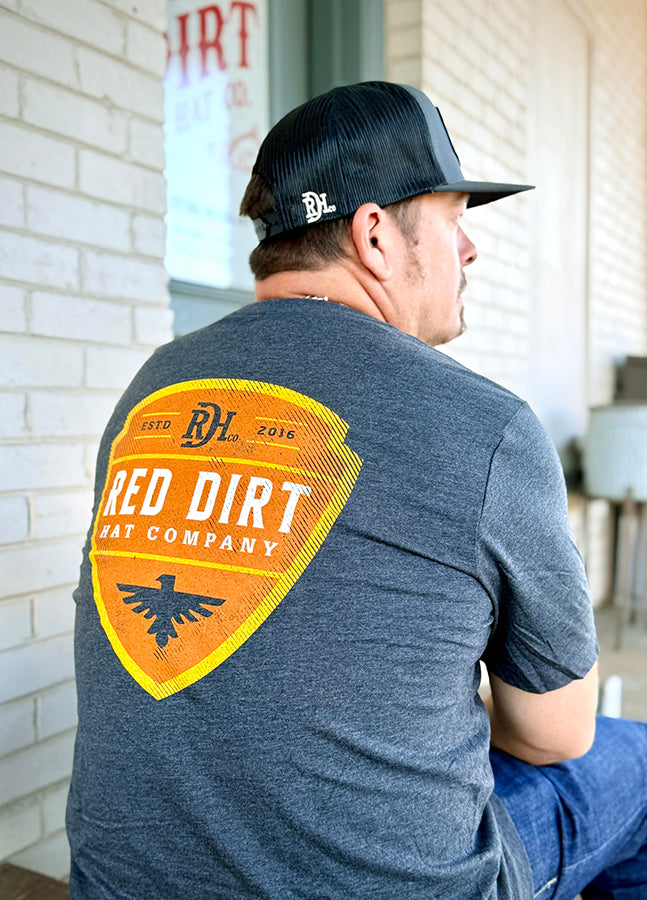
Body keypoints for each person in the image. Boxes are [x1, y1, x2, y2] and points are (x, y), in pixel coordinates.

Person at [66, 81, 647, 899]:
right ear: (374, 234)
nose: (469, 250)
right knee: (635, 761)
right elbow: (554, 734)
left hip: (121, 887)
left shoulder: (155, 391)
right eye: (453, 219)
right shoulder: (484, 425)